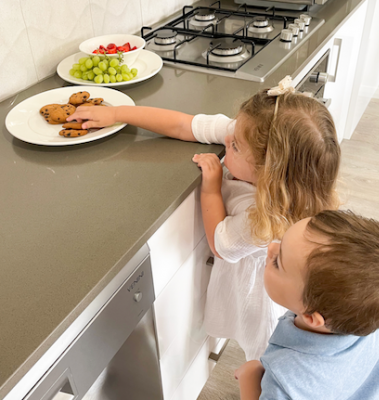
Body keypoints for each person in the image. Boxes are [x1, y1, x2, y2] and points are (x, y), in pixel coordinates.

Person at [67, 76, 341, 360]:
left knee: (262, 351)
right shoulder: (255, 133)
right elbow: (184, 124)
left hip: (261, 296)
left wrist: (211, 187)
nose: (226, 140)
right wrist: (116, 113)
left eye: (234, 147)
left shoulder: (263, 220)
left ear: (269, 175)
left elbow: (219, 244)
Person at [235, 210, 379, 400]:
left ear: (312, 317)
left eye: (278, 262)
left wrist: (250, 377)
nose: (271, 247)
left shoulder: (285, 380)